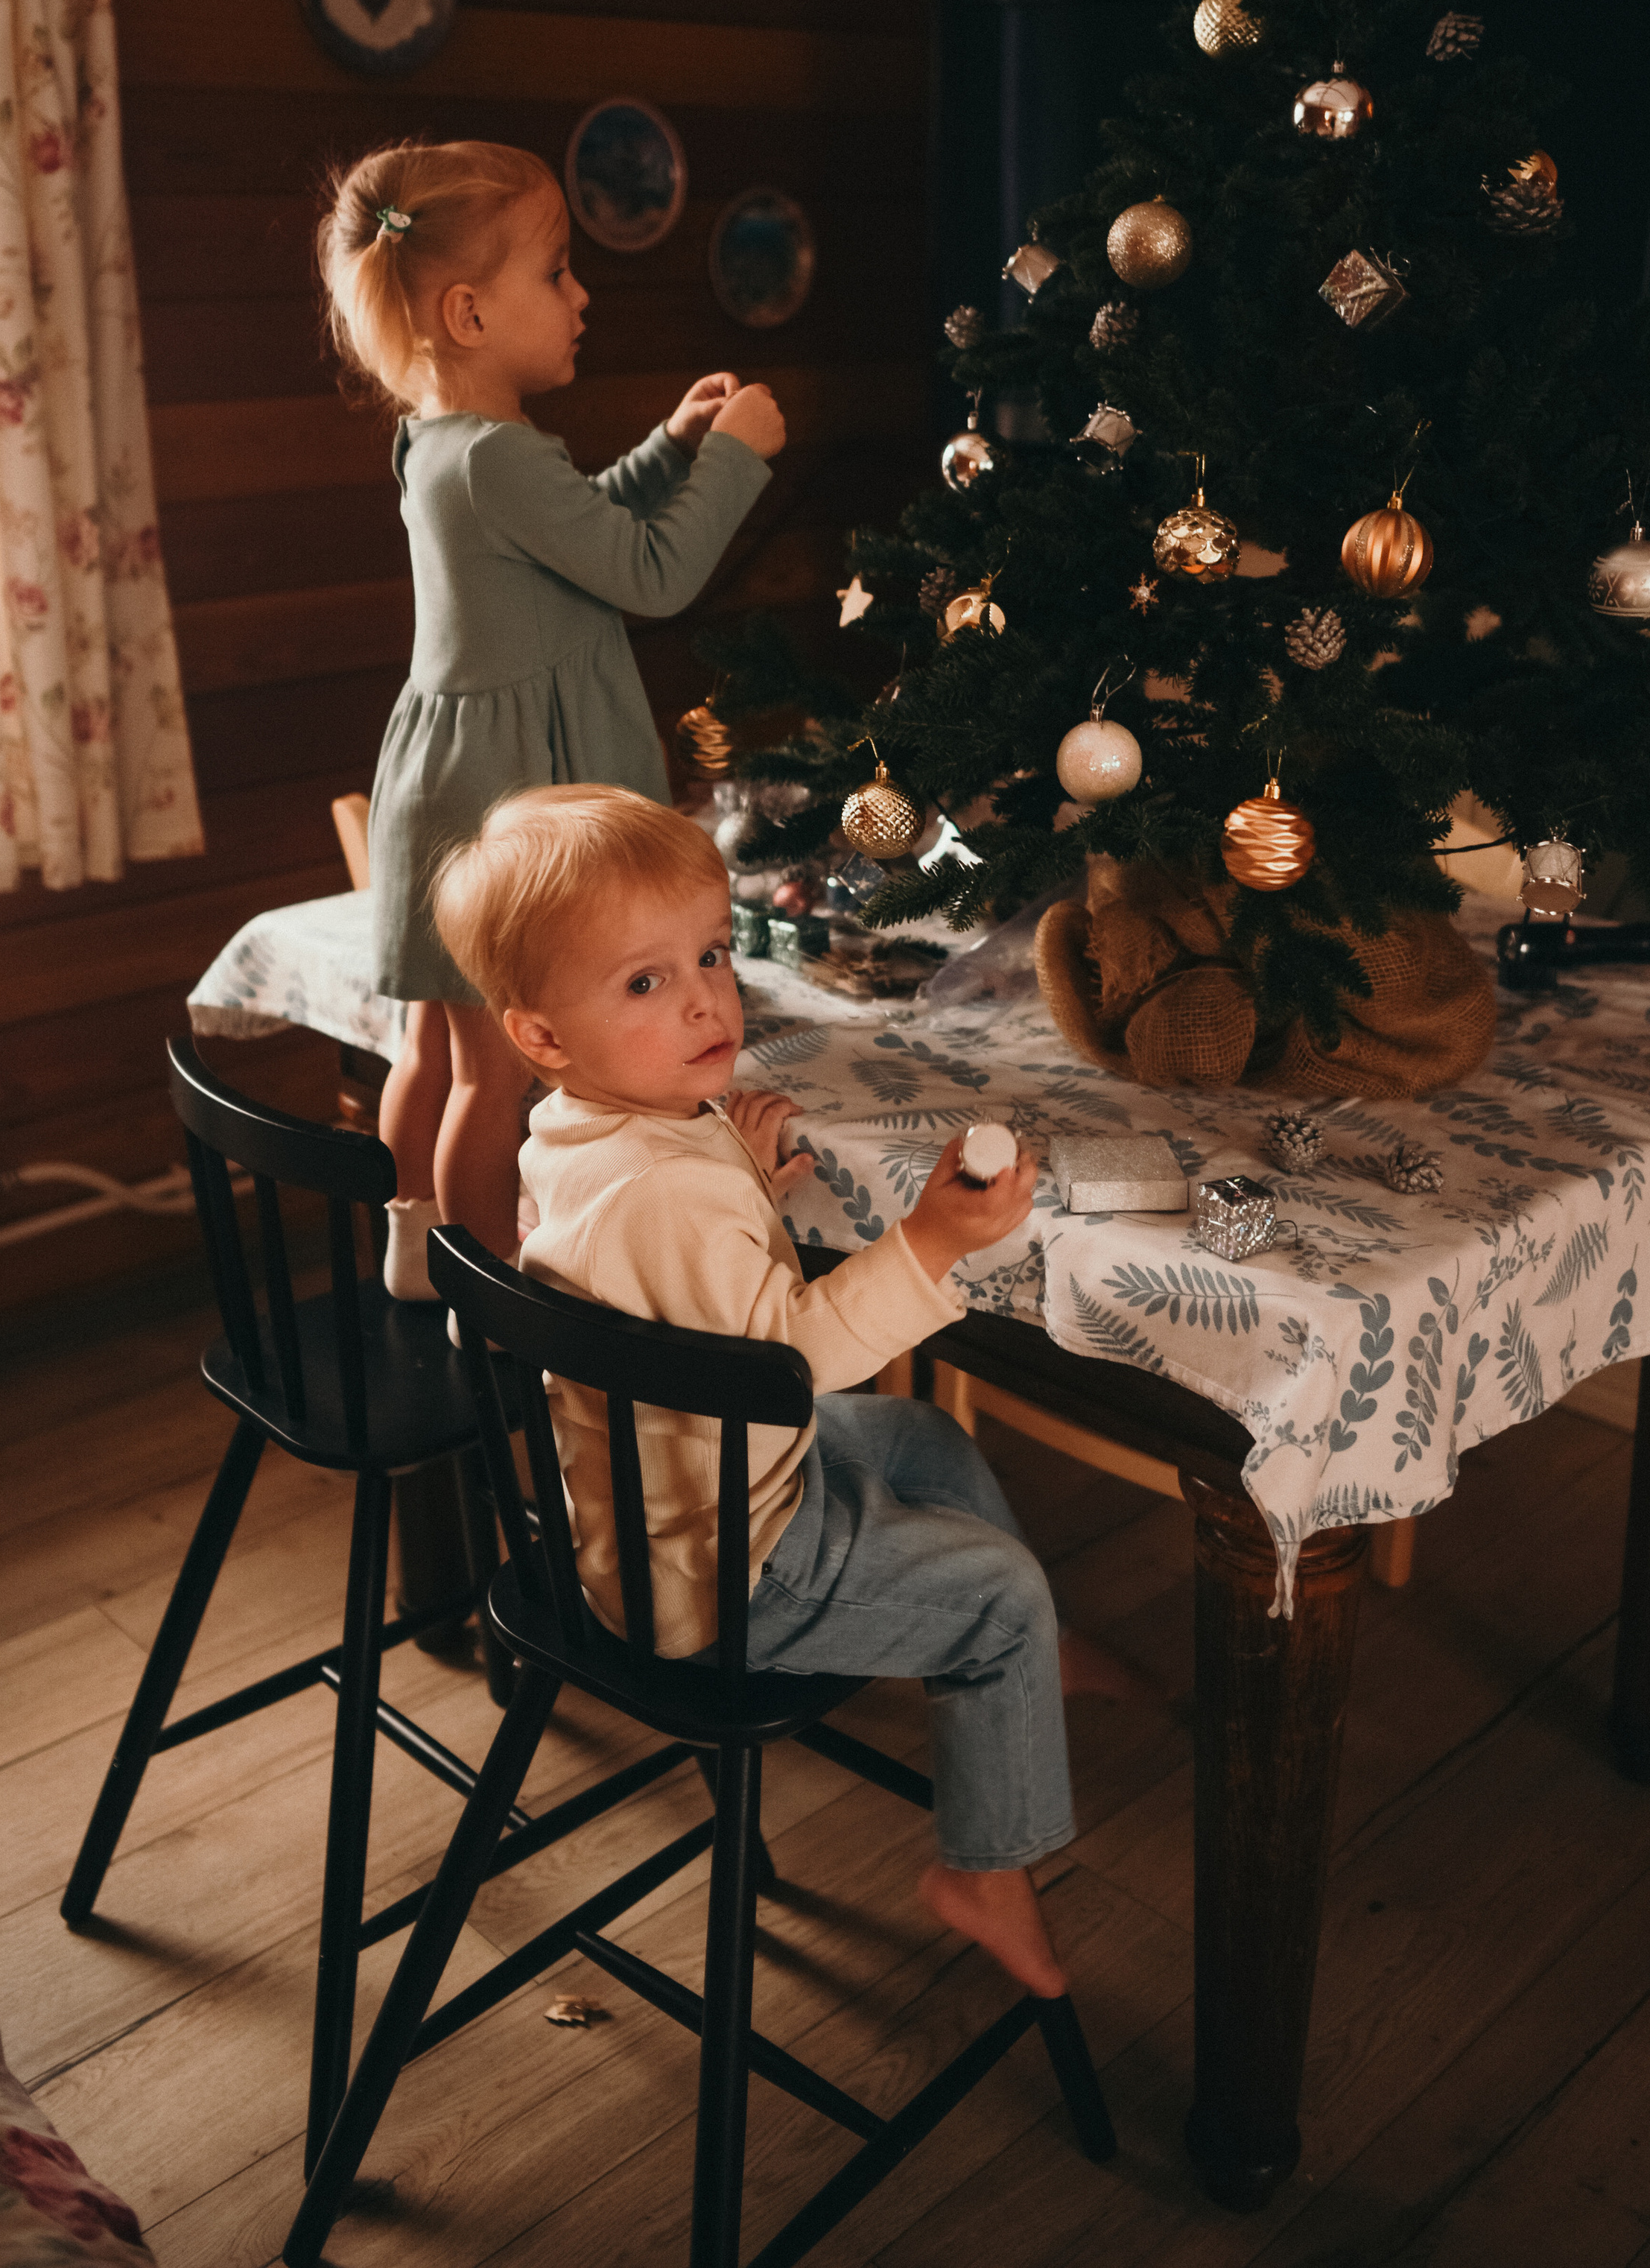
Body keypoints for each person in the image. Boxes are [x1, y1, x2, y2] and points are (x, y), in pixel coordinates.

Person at [433, 781, 1129, 2000]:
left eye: (708, 953)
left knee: (917, 1440)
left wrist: (735, 1161)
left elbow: (672, 1278)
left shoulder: (582, 1128)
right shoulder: (670, 1189)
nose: (707, 996)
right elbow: (791, 1362)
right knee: (997, 1589)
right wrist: (927, 1242)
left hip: (649, 1507)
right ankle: (988, 1864)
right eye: (645, 983)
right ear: (540, 1033)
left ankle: (1036, 1665)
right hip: (730, 1568)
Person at [317, 139, 784, 1285]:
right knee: (493, 1075)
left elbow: (576, 536)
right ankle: (489, 1293)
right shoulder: (495, 459)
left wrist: (671, 448)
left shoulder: (449, 443)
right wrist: (734, 461)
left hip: (445, 785)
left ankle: (411, 1252)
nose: (582, 297)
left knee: (433, 1046)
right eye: (558, 274)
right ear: (470, 312)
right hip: (503, 800)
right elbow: (652, 575)